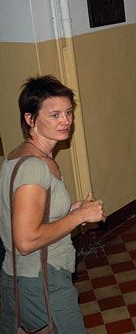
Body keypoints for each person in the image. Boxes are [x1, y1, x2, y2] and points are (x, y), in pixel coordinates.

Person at [0, 75, 105, 333]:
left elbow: (34, 215)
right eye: (54, 115)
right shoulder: (33, 167)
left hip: (30, 278)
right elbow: (26, 240)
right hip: (41, 281)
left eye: (68, 112)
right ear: (30, 119)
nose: (65, 121)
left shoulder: (25, 156)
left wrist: (70, 211)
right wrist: (80, 217)